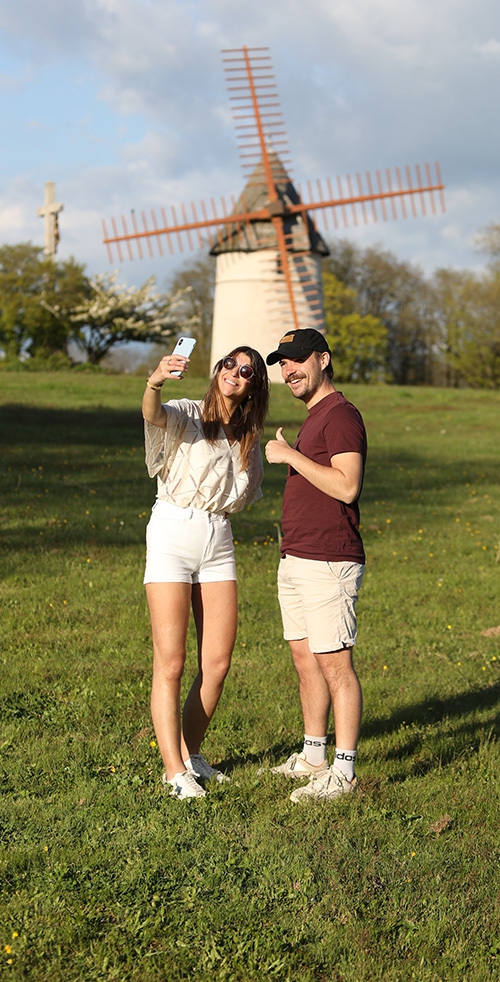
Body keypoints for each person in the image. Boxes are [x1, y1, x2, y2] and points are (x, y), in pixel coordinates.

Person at [142, 344, 269, 800]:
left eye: (246, 370)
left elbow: (243, 493)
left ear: (254, 385)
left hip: (218, 538)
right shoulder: (186, 412)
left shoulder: (246, 437)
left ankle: (191, 754)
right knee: (171, 661)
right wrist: (155, 380)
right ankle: (174, 772)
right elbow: (153, 414)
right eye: (229, 364)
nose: (235, 372)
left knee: (216, 663)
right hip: (174, 528)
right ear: (218, 370)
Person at [264, 328, 367, 803]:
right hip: (298, 557)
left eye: (297, 360)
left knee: (335, 665)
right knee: (305, 660)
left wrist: (288, 456)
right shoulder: (314, 418)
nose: (288, 370)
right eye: (282, 363)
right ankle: (313, 756)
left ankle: (342, 774)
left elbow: (347, 487)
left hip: (329, 559)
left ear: (323, 360)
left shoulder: (341, 416)